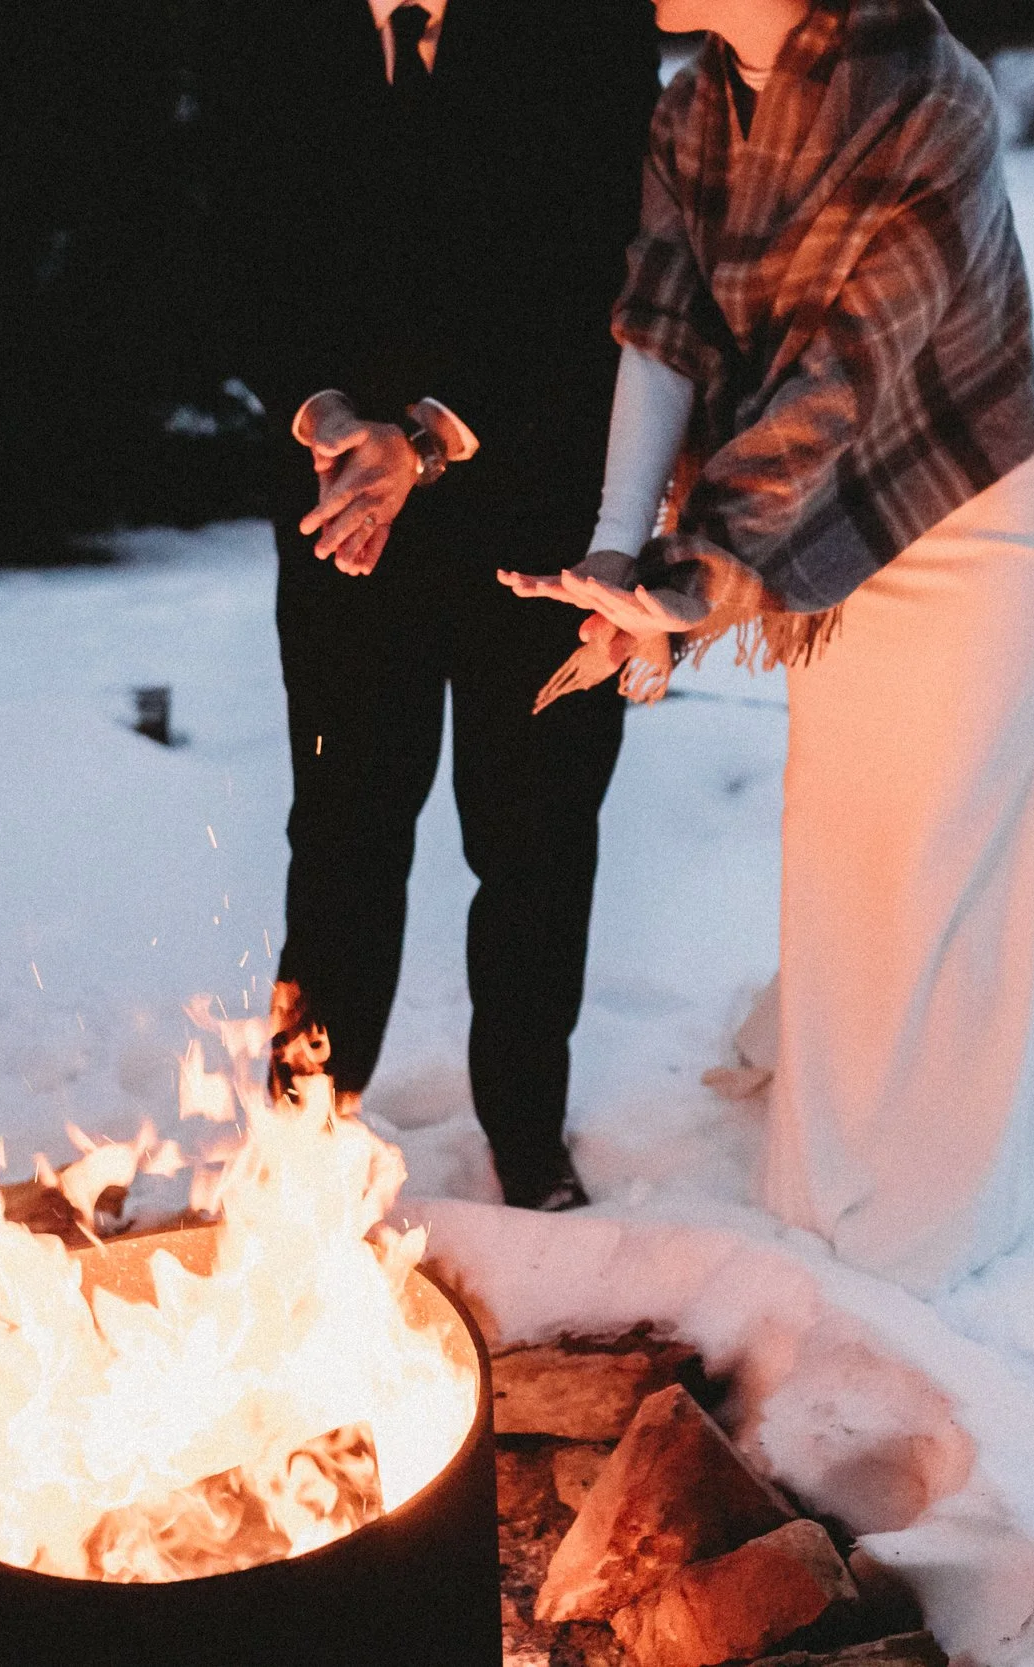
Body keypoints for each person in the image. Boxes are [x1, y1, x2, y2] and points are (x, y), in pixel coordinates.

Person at [504, 0, 1034, 1291]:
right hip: (828, 536)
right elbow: (662, 326)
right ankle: (866, 1138)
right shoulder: (696, 108)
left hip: (979, 515)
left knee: (935, 852)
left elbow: (836, 378)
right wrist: (617, 549)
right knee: (844, 844)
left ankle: (902, 1225)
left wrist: (700, 573)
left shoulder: (935, 104)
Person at [205, 0, 664, 1208]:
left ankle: (525, 1133)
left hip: (540, 510)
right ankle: (304, 1130)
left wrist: (422, 433)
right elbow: (230, 240)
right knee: (343, 825)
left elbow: (597, 267)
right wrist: (322, 413)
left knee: (536, 838)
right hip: (336, 514)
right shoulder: (259, 28)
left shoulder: (585, 24)